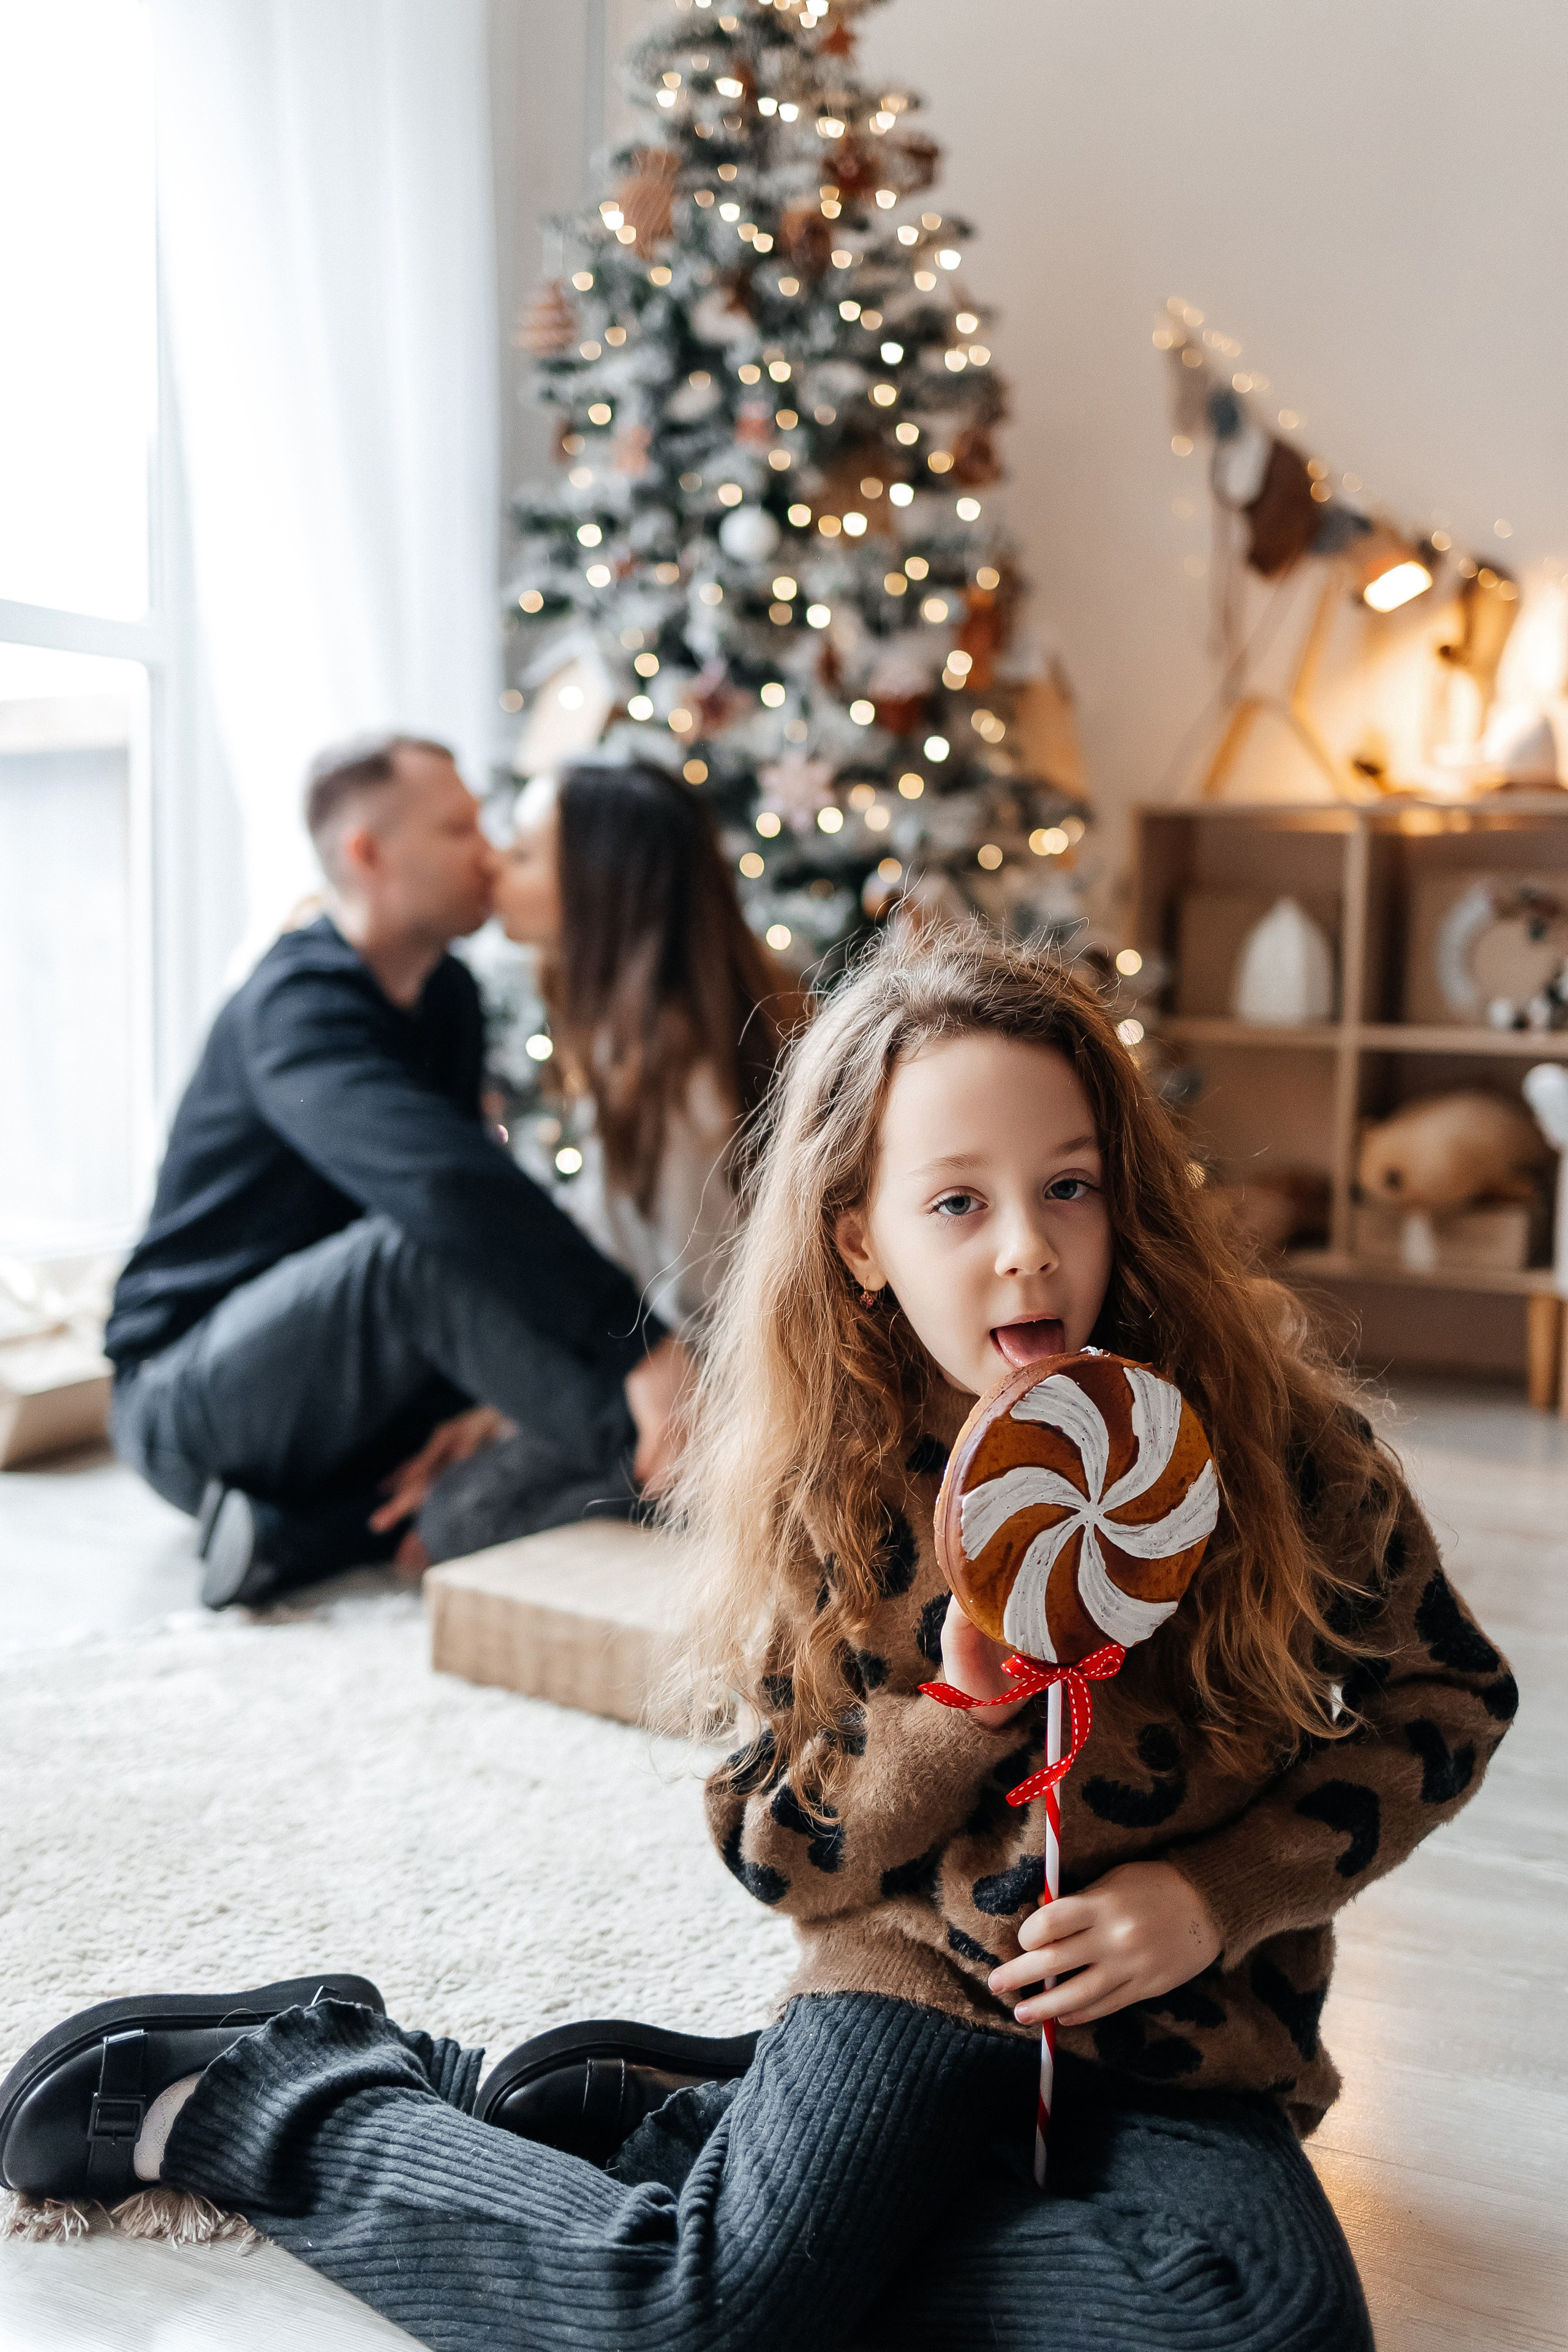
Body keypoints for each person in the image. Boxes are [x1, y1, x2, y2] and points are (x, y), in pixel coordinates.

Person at [6, 929, 1516, 2351]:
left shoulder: (1262, 1444)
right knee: (697, 2317)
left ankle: (696, 2134)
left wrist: (1211, 1896)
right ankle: (280, 2093)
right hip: (915, 1977)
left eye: (1067, 1188)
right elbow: (774, 1847)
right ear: (857, 1239)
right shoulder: (834, 1483)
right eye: (955, 1203)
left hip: (1187, 2022)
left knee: (1266, 2322)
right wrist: (952, 1709)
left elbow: (1445, 1694)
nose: (1024, 1254)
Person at [105, 733, 690, 1609]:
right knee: (412, 1251)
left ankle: (301, 1532)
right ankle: (704, 1475)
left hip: (351, 1383)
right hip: (187, 1397)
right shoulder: (294, 1008)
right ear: (368, 854)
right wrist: (639, 1345)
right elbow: (442, 1189)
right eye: (459, 829)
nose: (489, 851)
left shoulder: (447, 997)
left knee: (476, 1443)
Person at [379, 756, 801, 1567]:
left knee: (456, 1523)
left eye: (526, 853)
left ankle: (736, 1514)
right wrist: (507, 1406)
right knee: (453, 1471)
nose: (495, 861)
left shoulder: (682, 1075)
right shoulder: (623, 1043)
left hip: (721, 1400)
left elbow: (707, 1312)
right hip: (652, 1365)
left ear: (601, 889)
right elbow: (596, 1252)